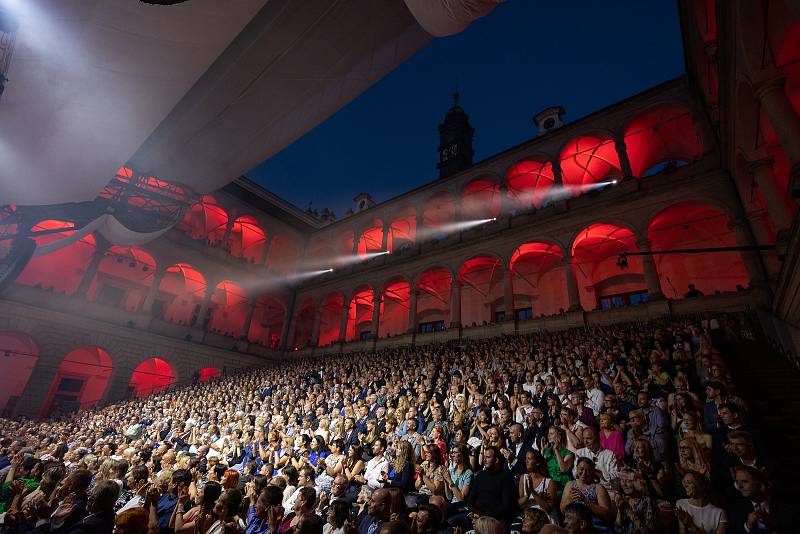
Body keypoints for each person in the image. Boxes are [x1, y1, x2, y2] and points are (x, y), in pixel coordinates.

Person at [560, 457, 613, 532]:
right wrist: (570, 498)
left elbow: (607, 515)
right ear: (577, 468)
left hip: (594, 525)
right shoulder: (570, 484)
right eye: (581, 469)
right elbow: (562, 510)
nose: (584, 473)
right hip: (573, 525)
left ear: (592, 472)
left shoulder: (598, 488)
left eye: (588, 471)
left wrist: (585, 501)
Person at [465, 446, 515, 525]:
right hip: (475, 515)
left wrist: (483, 516)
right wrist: (472, 512)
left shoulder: (506, 478)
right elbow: (471, 498)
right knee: (451, 523)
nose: (484, 460)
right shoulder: (480, 475)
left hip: (494, 518)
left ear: (496, 460)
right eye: (484, 457)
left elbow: (506, 505)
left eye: (487, 457)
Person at [613, 468, 659, 534]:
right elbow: (617, 529)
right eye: (622, 481)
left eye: (628, 481)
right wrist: (620, 511)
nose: (624, 484)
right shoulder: (626, 500)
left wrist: (628, 510)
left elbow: (648, 532)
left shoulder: (648, 502)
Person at [517, 449, 557, 524]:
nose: (526, 461)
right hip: (529, 519)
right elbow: (519, 505)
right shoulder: (523, 478)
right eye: (526, 459)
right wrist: (526, 496)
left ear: (537, 463)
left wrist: (533, 492)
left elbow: (549, 509)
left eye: (529, 459)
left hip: (544, 519)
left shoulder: (549, 482)